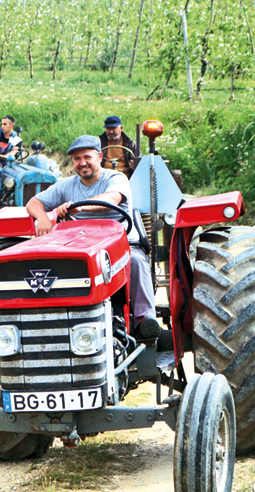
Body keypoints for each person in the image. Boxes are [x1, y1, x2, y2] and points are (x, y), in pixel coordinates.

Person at [25, 135, 159, 339]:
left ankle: (144, 321)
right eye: (77, 159)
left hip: (121, 245)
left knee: (136, 261)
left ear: (100, 157)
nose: (82, 163)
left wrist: (78, 206)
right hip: (81, 248)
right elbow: (33, 203)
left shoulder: (116, 178)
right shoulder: (65, 185)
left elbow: (111, 198)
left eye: (87, 157)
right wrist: (42, 218)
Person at [0, 115, 22, 209]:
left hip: (9, 161)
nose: (2, 126)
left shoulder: (16, 139)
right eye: (2, 124)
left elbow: (14, 152)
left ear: (11, 126)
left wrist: (6, 156)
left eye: (5, 124)